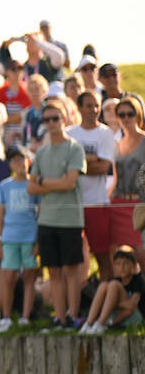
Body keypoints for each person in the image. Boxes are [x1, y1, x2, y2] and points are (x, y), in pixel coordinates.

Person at [28, 99, 87, 329]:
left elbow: (69, 183)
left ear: (64, 118)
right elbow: (31, 187)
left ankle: (73, 316)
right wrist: (53, 182)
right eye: (47, 119)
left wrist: (43, 181)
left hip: (70, 219)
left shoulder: (75, 148)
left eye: (55, 118)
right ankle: (60, 318)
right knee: (53, 271)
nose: (51, 123)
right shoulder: (42, 152)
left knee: (71, 271)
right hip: (47, 219)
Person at [67, 90, 117, 280]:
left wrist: (77, 165)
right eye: (89, 106)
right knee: (72, 259)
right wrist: (90, 160)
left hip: (97, 203)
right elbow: (65, 167)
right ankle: (76, 304)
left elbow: (103, 167)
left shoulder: (105, 133)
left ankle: (108, 299)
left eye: (96, 105)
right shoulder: (69, 133)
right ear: (79, 108)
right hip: (73, 204)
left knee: (103, 256)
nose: (94, 110)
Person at [0, 147, 39, 331]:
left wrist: (39, 242)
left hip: (30, 238)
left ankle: (25, 317)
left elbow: (40, 213)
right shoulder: (4, 185)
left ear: (28, 161)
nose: (19, 163)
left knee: (29, 277)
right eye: (14, 160)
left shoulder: (35, 184)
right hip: (9, 238)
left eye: (22, 159)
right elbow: (1, 214)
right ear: (10, 164)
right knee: (8, 277)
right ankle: (6, 317)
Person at [110, 94, 145, 267]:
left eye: (130, 113)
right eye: (121, 114)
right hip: (118, 204)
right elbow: (116, 178)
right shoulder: (117, 144)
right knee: (122, 259)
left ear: (137, 114)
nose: (126, 118)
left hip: (140, 205)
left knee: (142, 254)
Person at [0, 59, 32, 149]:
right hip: (4, 139)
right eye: (14, 69)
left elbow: (26, 115)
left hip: (24, 137)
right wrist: (14, 118)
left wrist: (6, 119)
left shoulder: (28, 91)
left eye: (20, 69)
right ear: (7, 72)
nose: (17, 72)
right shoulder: (0, 93)